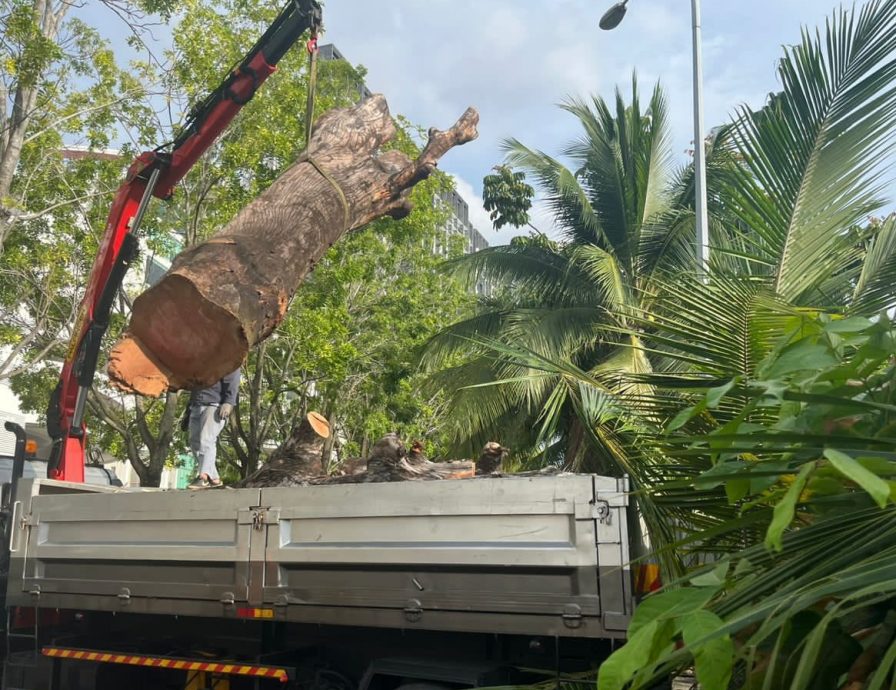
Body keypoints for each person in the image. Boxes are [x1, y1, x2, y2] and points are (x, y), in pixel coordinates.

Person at [185, 367, 240, 489]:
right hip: (196, 403)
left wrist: (229, 402)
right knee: (194, 442)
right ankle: (214, 478)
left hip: (215, 405)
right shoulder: (200, 357)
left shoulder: (228, 358)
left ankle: (203, 477)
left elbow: (233, 379)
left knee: (207, 440)